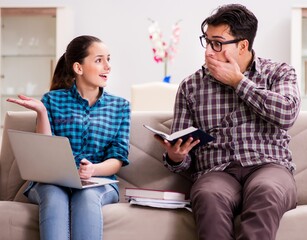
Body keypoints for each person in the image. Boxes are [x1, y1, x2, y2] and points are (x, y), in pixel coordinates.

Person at [154, 4, 301, 240]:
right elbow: (183, 159)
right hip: (216, 172)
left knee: (267, 191)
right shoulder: (191, 86)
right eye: (207, 41)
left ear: (243, 45)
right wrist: (177, 157)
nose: (209, 52)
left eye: (218, 43)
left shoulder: (278, 73)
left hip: (269, 167)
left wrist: (238, 82)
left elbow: (286, 114)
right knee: (208, 195)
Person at [7, 35, 130, 240]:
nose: (108, 66)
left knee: (87, 196)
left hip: (98, 182)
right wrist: (42, 113)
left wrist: (93, 170)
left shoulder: (120, 107)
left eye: (108, 59)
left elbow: (117, 158)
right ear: (78, 68)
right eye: (99, 60)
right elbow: (45, 151)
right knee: (54, 197)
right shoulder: (52, 100)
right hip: (52, 182)